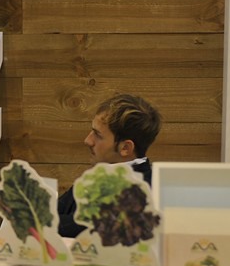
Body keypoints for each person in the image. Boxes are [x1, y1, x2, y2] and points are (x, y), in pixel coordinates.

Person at [57, 94, 162, 238]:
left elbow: (79, 227)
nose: (87, 140)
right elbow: (50, 212)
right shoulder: (98, 174)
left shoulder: (142, 190)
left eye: (97, 135)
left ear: (125, 148)